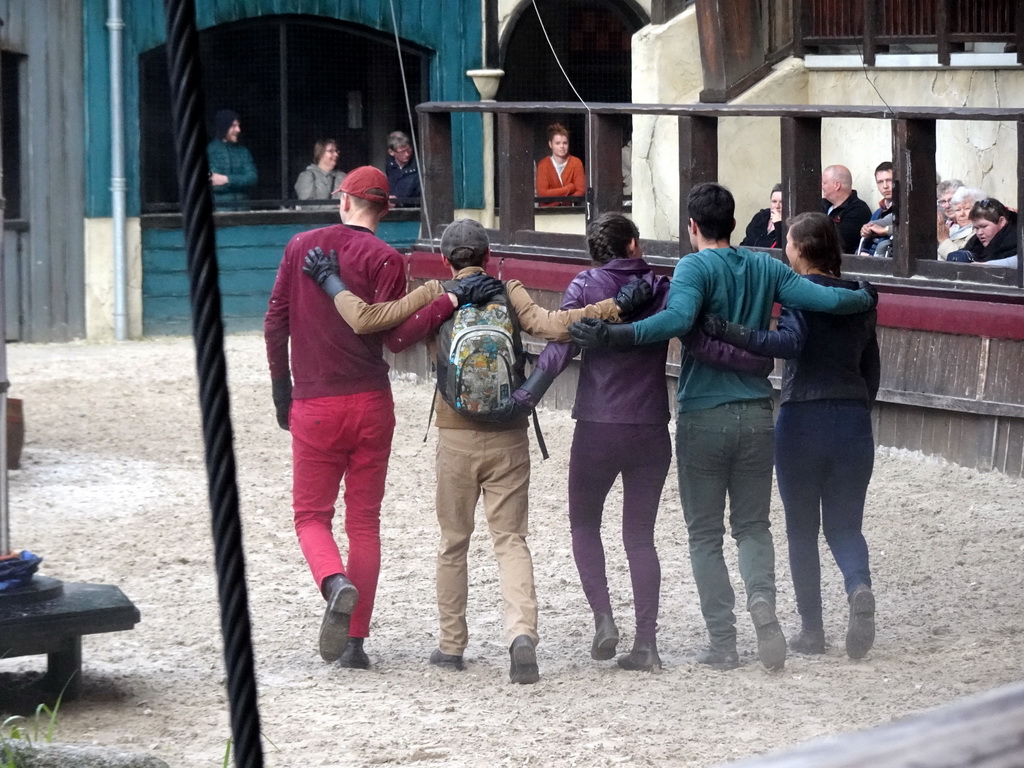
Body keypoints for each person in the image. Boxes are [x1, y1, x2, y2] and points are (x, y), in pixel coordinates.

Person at [302, 218, 653, 684]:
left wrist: (329, 280)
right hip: (510, 433)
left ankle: (451, 645)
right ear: (489, 257)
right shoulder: (509, 289)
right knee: (511, 541)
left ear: (447, 260)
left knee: (453, 542)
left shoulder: (434, 293)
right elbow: (554, 327)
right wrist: (615, 306)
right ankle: (521, 636)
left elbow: (370, 320)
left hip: (455, 436)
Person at [568, 182, 878, 673]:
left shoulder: (693, 267)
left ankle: (723, 641)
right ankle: (763, 606)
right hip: (757, 412)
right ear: (733, 222)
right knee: (754, 526)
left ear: (692, 226)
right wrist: (861, 299)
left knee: (705, 533)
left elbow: (674, 321)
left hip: (705, 412)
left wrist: (616, 333)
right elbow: (821, 299)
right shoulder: (768, 266)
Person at [497, 213, 773, 673]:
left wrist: (527, 397)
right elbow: (700, 338)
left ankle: (604, 618)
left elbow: (559, 349)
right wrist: (757, 360)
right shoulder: (664, 287)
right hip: (649, 425)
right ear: (633, 244)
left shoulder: (586, 285)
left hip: (597, 425)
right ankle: (647, 643)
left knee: (584, 525)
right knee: (640, 537)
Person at [264, 166, 461, 671]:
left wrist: (281, 389)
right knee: (364, 523)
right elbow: (395, 339)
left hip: (314, 403)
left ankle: (334, 582)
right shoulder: (388, 259)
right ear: (385, 209)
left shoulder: (301, 245)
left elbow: (275, 323)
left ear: (344, 199)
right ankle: (354, 644)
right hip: (372, 402)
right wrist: (443, 304)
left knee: (311, 516)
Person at [702, 211, 880, 660]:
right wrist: (857, 405)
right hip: (853, 417)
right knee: (845, 526)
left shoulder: (799, 295)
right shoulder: (861, 298)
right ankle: (858, 585)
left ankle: (813, 632)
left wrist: (733, 332)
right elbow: (871, 370)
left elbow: (789, 345)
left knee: (801, 530)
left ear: (800, 250)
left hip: (803, 418)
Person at [206, 109, 257, 210]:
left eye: (238, 125)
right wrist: (240, 181)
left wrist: (226, 179)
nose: (238, 130)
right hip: (220, 213)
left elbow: (252, 178)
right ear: (224, 127)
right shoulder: (210, 151)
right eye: (233, 126)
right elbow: (213, 183)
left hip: (244, 212)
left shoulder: (243, 151)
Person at [947, 197, 1019, 268]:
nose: (979, 233)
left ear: (1002, 221)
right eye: (977, 228)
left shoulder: (1019, 239)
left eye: (984, 226)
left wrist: (985, 265)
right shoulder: (975, 243)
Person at [820, 164, 872, 253]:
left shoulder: (858, 210)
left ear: (837, 185)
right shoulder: (822, 205)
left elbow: (839, 241)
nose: (822, 186)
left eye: (824, 183)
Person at [536, 123, 585, 207]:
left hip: (570, 212)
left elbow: (580, 191)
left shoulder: (576, 163)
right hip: (547, 213)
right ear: (550, 144)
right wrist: (569, 188)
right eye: (558, 143)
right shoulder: (543, 164)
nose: (562, 146)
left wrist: (558, 202)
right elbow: (543, 194)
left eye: (565, 143)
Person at [858, 162, 894, 257]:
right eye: (880, 182)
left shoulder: (906, 210)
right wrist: (865, 231)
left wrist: (884, 230)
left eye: (889, 180)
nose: (885, 186)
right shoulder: (877, 213)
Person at [937, 186, 982, 259]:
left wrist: (944, 240)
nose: (961, 214)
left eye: (967, 208)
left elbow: (961, 260)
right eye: (958, 210)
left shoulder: (978, 233)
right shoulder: (953, 229)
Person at [740, 184, 784, 249]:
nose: (777, 206)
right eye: (774, 201)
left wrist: (778, 224)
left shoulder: (789, 224)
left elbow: (782, 247)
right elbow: (747, 241)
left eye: (781, 202)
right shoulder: (760, 217)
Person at [384, 130, 421, 204]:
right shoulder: (390, 165)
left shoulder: (418, 166)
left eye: (409, 150)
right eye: (402, 152)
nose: (407, 154)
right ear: (391, 152)